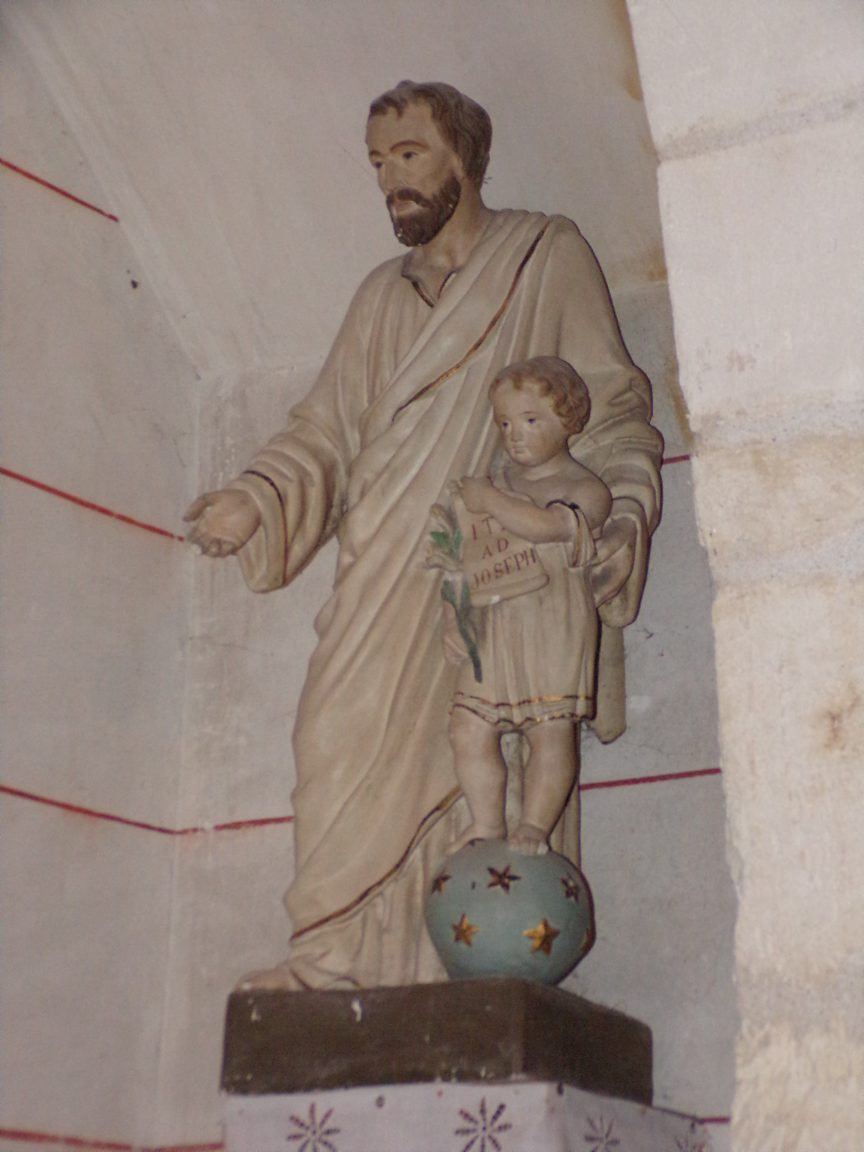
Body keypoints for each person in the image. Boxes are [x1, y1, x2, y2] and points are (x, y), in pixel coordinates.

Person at [184, 80, 663, 991]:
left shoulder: (542, 255)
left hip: (500, 580)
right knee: (335, 739)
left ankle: (475, 970)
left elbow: (610, 409)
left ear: (464, 157)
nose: (389, 181)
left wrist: (620, 515)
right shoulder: (379, 297)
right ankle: (332, 958)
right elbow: (325, 430)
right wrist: (258, 494)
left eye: (408, 155)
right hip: (384, 572)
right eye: (376, 162)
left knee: (497, 750)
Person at [445, 356, 611, 857]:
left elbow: (545, 527)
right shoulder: (499, 487)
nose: (513, 434)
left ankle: (535, 827)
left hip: (553, 622)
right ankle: (487, 823)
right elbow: (465, 560)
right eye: (504, 423)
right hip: (496, 622)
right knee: (467, 725)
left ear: (569, 418)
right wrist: (457, 616)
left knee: (551, 730)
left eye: (530, 420)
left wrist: (490, 501)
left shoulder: (585, 489)